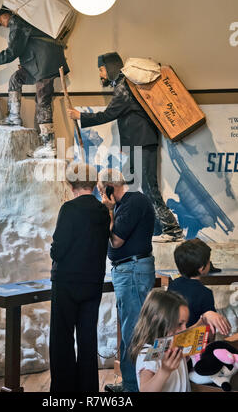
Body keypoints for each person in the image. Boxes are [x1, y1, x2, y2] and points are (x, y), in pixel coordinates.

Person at [67, 51, 184, 242]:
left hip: (142, 144)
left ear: (111, 67)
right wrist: (126, 146)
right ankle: (154, 228)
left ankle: (172, 230)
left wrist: (80, 116)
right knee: (131, 183)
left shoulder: (123, 87)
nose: (101, 74)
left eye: (102, 69)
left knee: (149, 186)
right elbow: (131, 120)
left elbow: (108, 115)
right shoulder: (124, 86)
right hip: (136, 145)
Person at [49, 162, 110, 392]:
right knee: (87, 339)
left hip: (67, 281)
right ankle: (87, 391)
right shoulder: (103, 211)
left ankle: (63, 392)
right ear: (94, 184)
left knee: (62, 339)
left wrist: (53, 251)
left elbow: (59, 249)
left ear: (71, 183)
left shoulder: (69, 209)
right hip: (93, 281)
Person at [0, 8, 69, 158]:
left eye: (1, 21)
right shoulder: (22, 22)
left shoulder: (17, 23)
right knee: (16, 79)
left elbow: (12, 52)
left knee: (43, 100)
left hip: (44, 64)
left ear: (4, 14)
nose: (3, 25)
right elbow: (27, 47)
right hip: (37, 63)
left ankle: (49, 145)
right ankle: (14, 117)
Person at [97, 168, 155, 392]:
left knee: (133, 332)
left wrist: (109, 212)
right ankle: (131, 383)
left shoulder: (132, 203)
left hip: (132, 270)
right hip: (129, 270)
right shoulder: (128, 204)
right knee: (129, 330)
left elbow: (116, 242)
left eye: (102, 191)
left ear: (110, 188)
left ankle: (135, 388)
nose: (102, 197)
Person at [129, 289, 191, 392]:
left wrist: (203, 319)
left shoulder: (171, 341)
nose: (185, 329)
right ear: (157, 321)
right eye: (180, 324)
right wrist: (164, 371)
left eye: (186, 324)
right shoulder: (155, 349)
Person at [168, 238, 231, 337]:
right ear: (202, 268)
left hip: (172, 336)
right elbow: (210, 328)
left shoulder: (173, 284)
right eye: (209, 262)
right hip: (193, 340)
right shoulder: (205, 293)